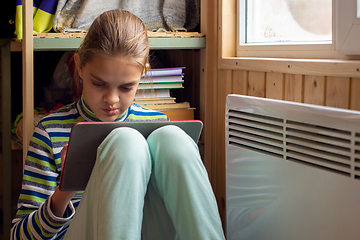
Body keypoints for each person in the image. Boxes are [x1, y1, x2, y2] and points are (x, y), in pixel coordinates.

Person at [10, 9, 225, 240]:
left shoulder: (156, 125)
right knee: (127, 141)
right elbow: (19, 236)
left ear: (143, 74)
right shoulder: (49, 132)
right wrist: (65, 190)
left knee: (172, 138)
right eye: (99, 84)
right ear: (79, 66)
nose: (111, 99)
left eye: (125, 87)